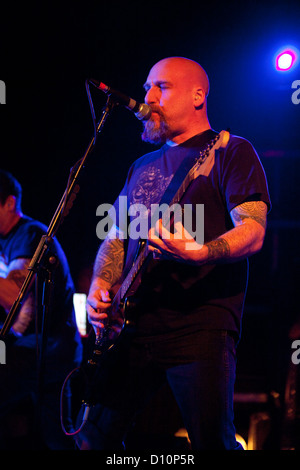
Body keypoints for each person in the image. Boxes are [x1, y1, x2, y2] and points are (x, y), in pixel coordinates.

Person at [77, 57, 271, 450]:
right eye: (147, 87)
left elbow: (253, 230)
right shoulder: (141, 165)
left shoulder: (230, 150)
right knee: (93, 438)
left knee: (211, 442)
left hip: (198, 327)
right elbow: (115, 235)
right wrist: (102, 283)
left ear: (198, 95)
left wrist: (202, 252)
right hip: (132, 325)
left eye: (160, 87)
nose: (147, 97)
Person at [0, 170, 82, 449]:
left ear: (9, 203)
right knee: (56, 434)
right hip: (27, 345)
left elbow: (14, 296)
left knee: (56, 434)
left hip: (47, 349)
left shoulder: (30, 234)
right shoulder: (5, 240)